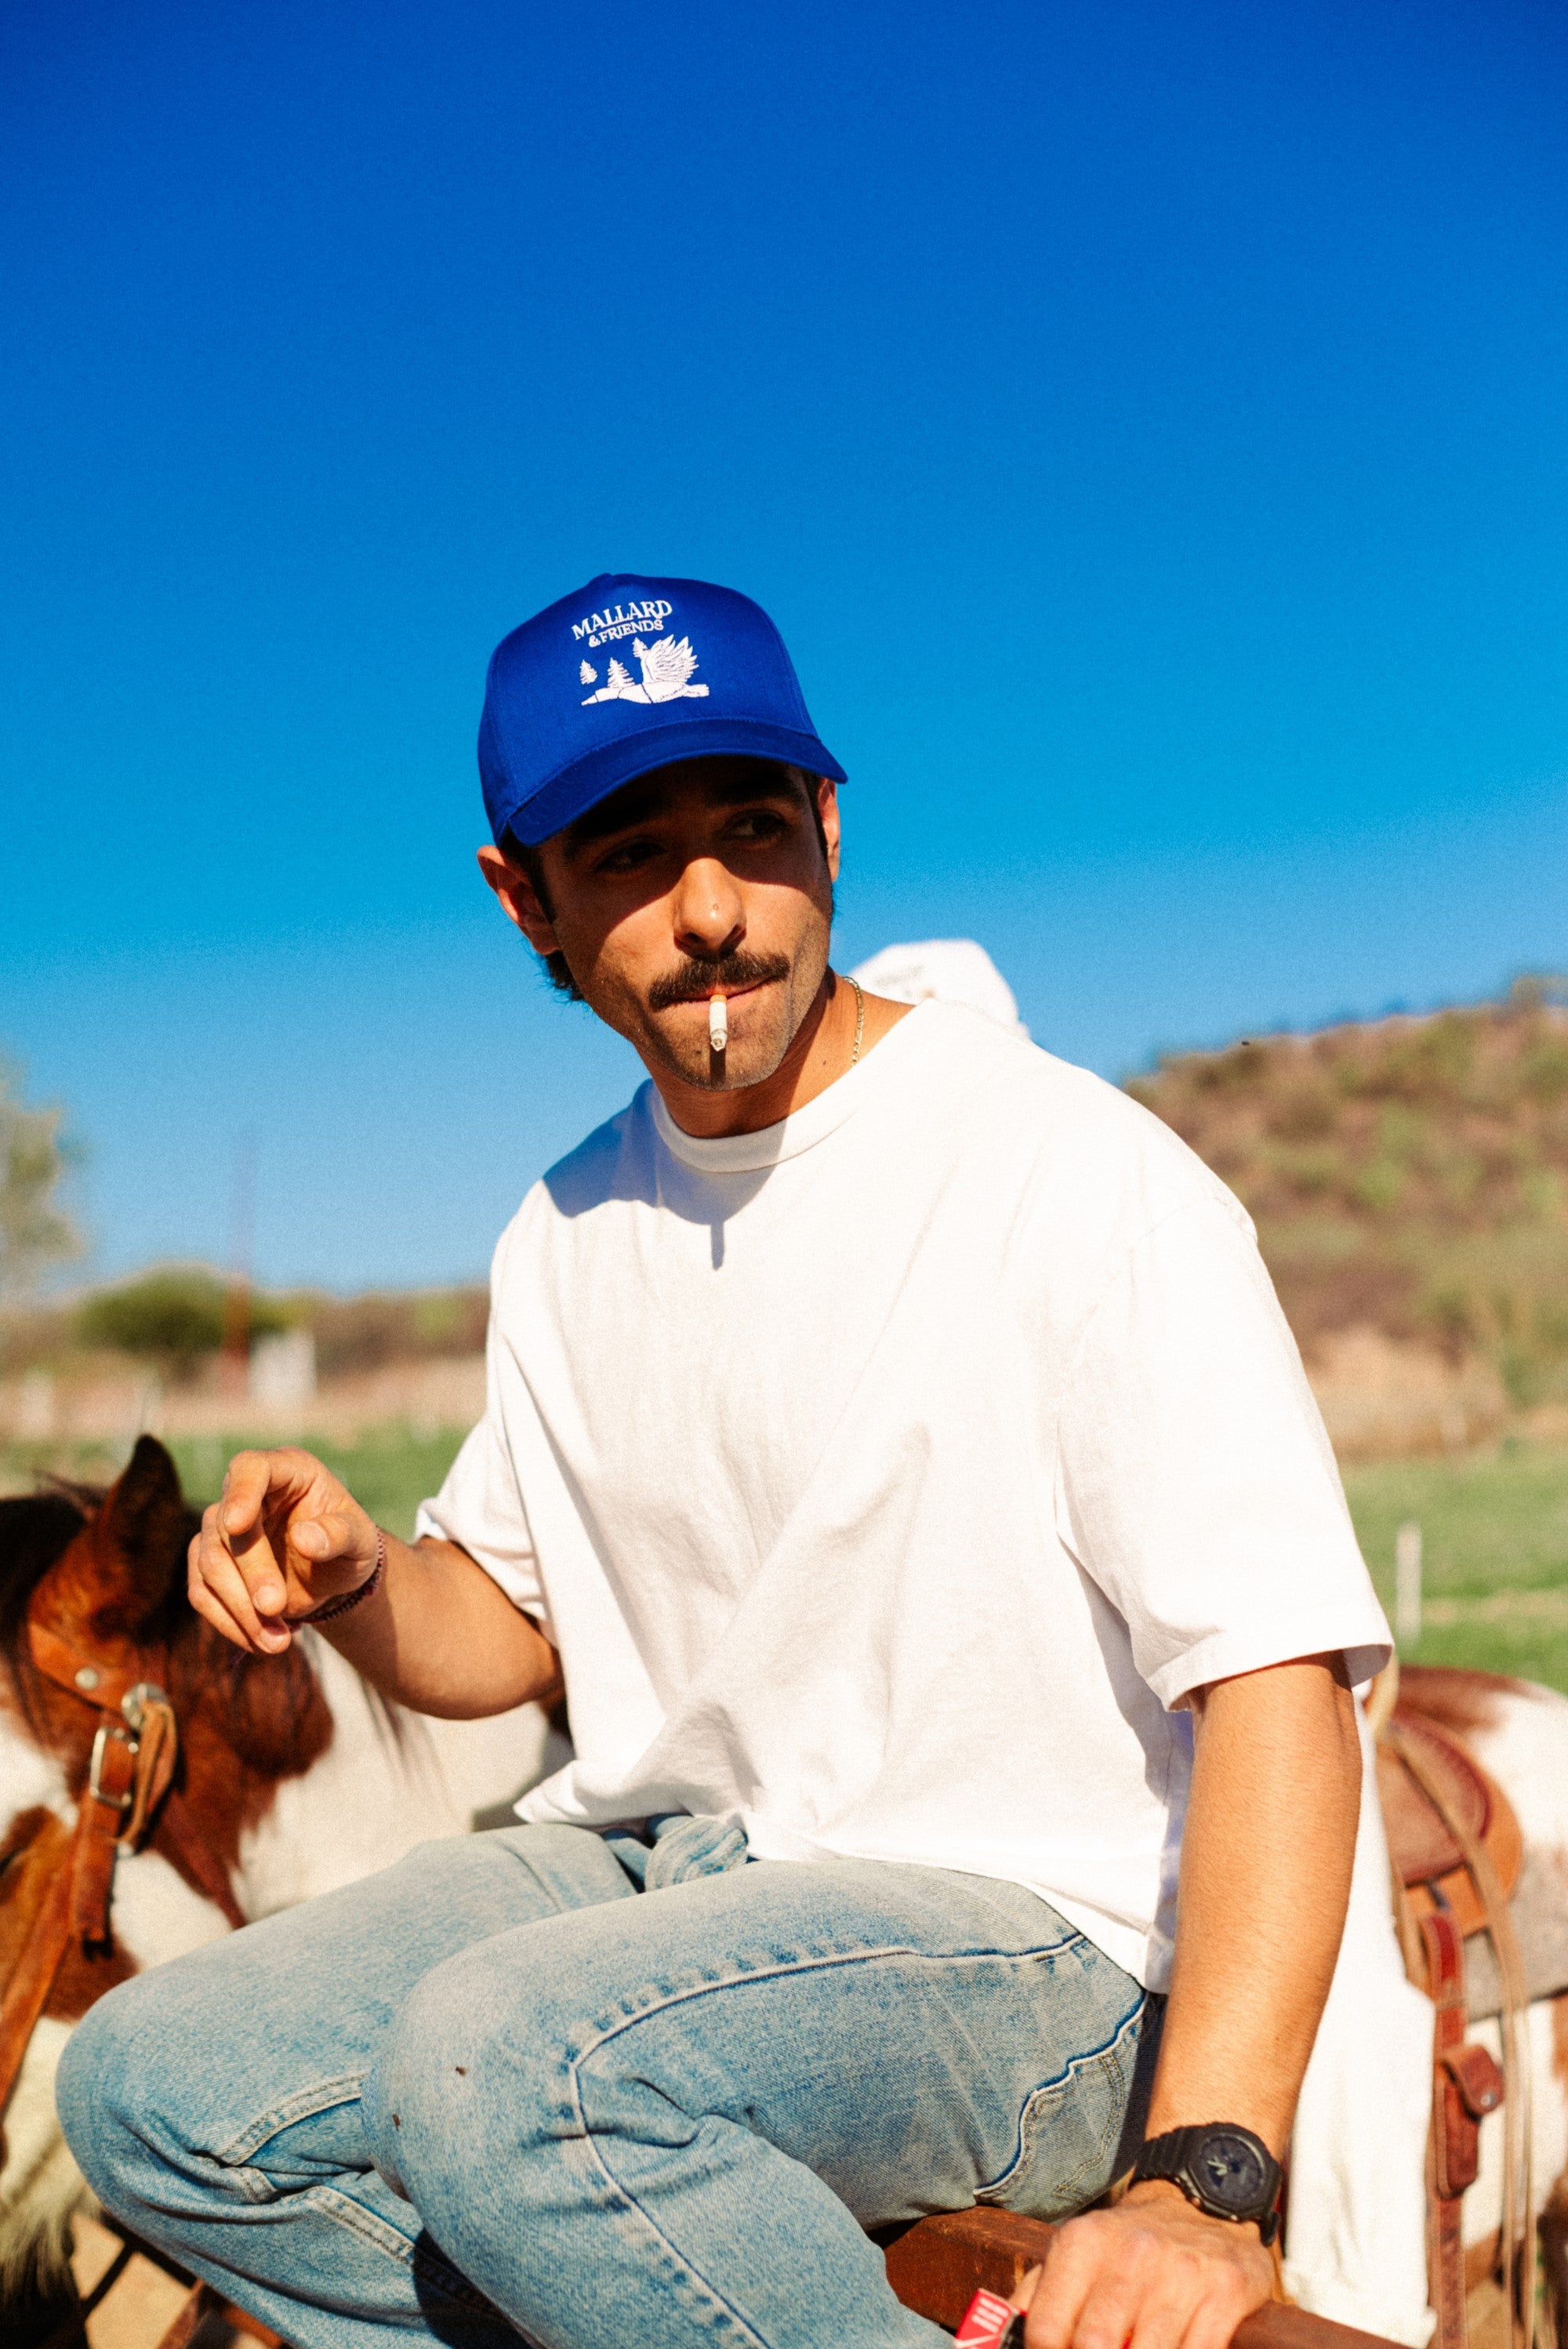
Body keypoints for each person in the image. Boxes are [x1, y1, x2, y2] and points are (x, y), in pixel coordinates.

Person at [58, 572, 1391, 2349]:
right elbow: (516, 1625)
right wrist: (362, 1580)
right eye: (623, 851)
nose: (706, 908)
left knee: (507, 2068)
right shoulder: (566, 1226)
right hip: (672, 1873)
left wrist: (1203, 2179)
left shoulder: (1070, 1172)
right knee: (153, 2083)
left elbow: (1275, 1678)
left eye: (750, 826)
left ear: (829, 826)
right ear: (521, 897)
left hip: (1033, 1937)